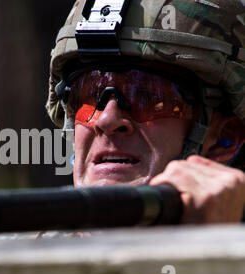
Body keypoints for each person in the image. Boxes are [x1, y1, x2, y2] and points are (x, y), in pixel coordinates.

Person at [46, 0, 245, 224]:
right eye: (87, 96)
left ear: (224, 138)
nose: (107, 119)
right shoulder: (18, 252)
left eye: (149, 96)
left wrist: (208, 247)